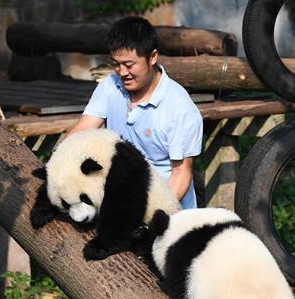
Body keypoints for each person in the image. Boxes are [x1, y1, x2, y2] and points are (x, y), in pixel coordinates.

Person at [67, 16, 203, 208]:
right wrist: (58, 165)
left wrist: (151, 215)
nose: (122, 72)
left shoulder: (180, 109)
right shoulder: (110, 87)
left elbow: (181, 173)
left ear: (153, 57)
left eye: (129, 65)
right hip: (121, 203)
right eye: (116, 64)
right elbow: (81, 131)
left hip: (168, 211)